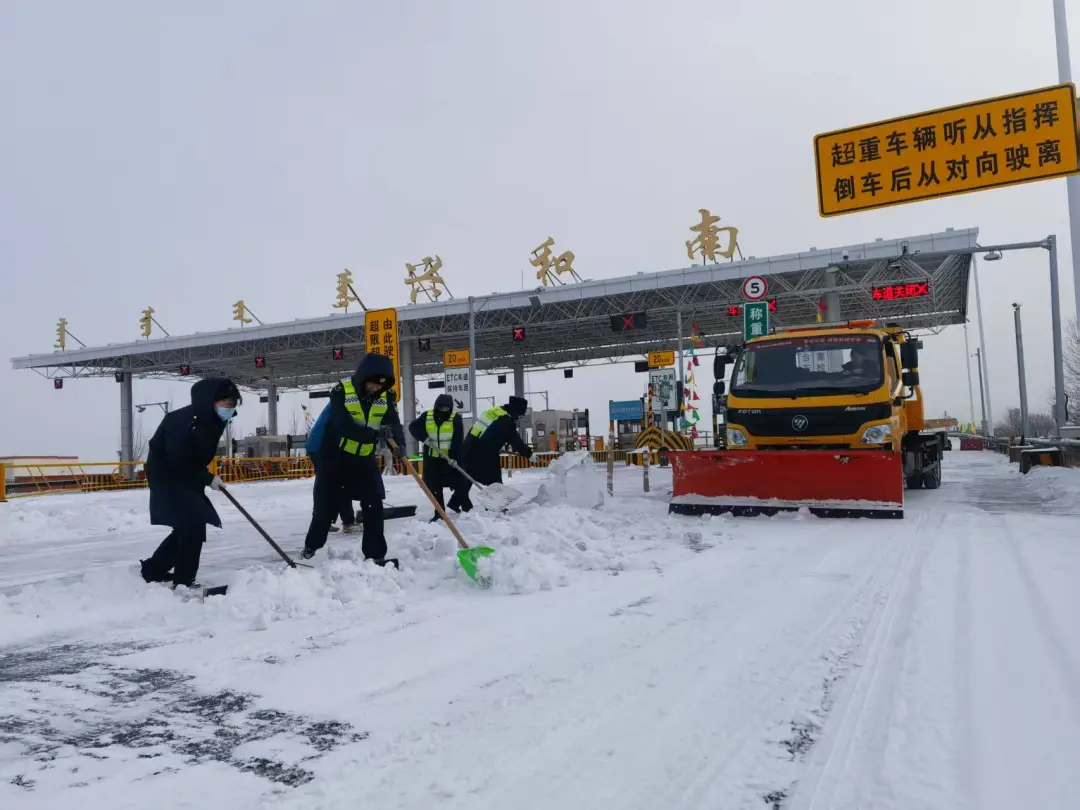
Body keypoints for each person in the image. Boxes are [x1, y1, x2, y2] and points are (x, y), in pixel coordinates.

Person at [301, 352, 405, 563]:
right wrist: (374, 434)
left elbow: (394, 424)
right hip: (336, 458)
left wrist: (400, 445)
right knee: (325, 508)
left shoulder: (386, 397)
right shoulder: (341, 392)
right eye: (372, 384)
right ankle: (311, 548)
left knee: (374, 504)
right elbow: (343, 426)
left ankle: (375, 555)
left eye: (381, 386)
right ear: (363, 377)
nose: (376, 389)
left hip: (365, 460)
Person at [140, 378, 240, 588]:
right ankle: (183, 580)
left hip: (185, 475)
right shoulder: (184, 422)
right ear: (209, 401)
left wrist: (204, 477)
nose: (229, 410)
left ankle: (154, 570)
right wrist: (207, 478)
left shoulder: (211, 420)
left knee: (189, 526)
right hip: (167, 476)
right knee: (192, 525)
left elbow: (192, 459)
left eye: (232, 406)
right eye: (226, 405)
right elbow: (177, 459)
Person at [455, 396, 535, 512]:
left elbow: (488, 432)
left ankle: (456, 502)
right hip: (483, 453)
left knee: (469, 475)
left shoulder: (494, 411)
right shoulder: (507, 421)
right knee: (495, 481)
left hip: (469, 448)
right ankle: (495, 507)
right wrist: (529, 455)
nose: (518, 418)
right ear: (516, 411)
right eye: (520, 415)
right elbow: (516, 442)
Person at [408, 393, 464, 521]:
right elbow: (413, 427)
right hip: (432, 459)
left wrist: (455, 458)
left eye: (446, 409)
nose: (443, 411)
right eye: (441, 408)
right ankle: (439, 513)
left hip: (449, 459)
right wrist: (424, 438)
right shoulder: (427, 416)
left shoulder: (455, 419)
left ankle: (461, 505)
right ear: (436, 406)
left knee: (460, 482)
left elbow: (458, 440)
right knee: (434, 486)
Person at [305, 404, 357, 534]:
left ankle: (326, 521)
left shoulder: (341, 401)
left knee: (331, 485)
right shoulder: (347, 404)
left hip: (319, 446)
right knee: (338, 484)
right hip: (323, 448)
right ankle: (347, 523)